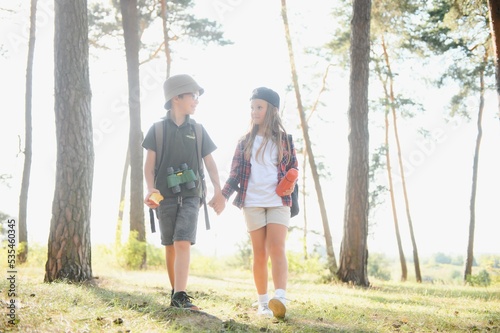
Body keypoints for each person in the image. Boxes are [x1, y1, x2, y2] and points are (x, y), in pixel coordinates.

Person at [142, 74, 226, 310]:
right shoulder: (157, 130)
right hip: (164, 197)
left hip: (191, 196)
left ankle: (180, 293)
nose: (197, 101)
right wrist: (150, 188)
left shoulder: (198, 130)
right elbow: (149, 166)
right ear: (177, 97)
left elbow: (210, 164)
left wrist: (218, 190)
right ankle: (175, 293)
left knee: (182, 241)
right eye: (193, 95)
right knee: (170, 244)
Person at [222, 87, 298, 319]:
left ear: (271, 110)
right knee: (259, 253)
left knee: (277, 248)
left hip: (278, 200)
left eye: (259, 107)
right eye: (252, 107)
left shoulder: (285, 140)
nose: (254, 112)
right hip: (252, 202)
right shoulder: (245, 141)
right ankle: (263, 303)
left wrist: (291, 180)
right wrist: (222, 196)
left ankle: (280, 298)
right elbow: (235, 174)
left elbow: (294, 167)